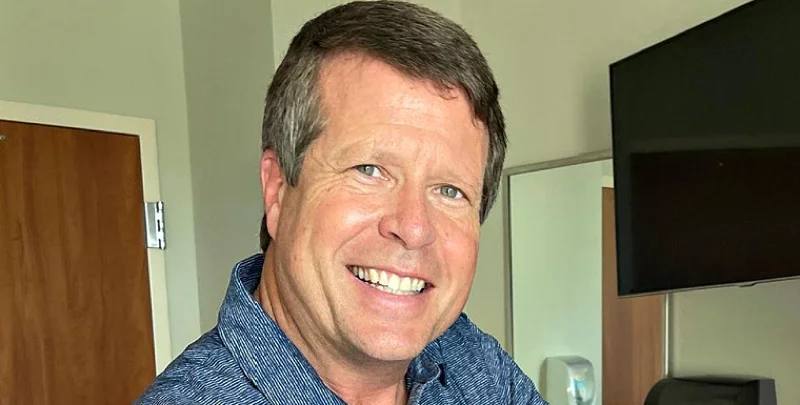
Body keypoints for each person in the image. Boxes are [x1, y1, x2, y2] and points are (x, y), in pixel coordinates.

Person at [136, 1, 547, 404]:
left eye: (450, 191)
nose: (414, 227)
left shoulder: (472, 362)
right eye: (369, 170)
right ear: (277, 190)